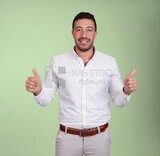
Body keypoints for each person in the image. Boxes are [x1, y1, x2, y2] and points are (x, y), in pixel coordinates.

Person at [25, 12, 137, 156]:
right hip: (67, 139)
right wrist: (38, 90)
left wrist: (126, 90)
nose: (84, 34)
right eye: (79, 29)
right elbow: (45, 99)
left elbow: (119, 101)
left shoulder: (109, 62)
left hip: (100, 138)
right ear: (72, 33)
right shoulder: (59, 62)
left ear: (95, 33)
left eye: (89, 29)